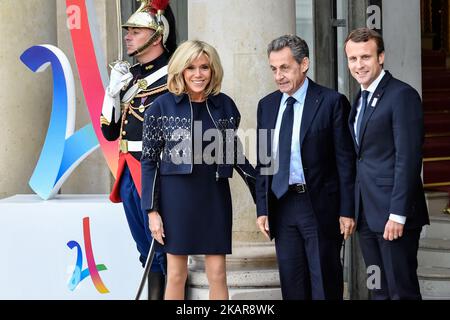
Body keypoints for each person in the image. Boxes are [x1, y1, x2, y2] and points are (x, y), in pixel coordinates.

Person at [141, 40, 256, 300]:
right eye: (191, 67)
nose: (198, 74)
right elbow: (148, 161)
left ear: (213, 70)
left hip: (214, 195)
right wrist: (152, 211)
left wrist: (265, 191)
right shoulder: (160, 108)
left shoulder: (224, 106)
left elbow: (234, 155)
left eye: (204, 67)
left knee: (217, 274)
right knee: (176, 275)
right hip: (176, 198)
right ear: (180, 70)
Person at [255, 35, 356, 300]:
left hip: (319, 206)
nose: (279, 76)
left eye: (285, 67)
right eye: (274, 69)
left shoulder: (332, 102)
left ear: (304, 64)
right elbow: (265, 161)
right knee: (292, 285)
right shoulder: (266, 106)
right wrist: (262, 208)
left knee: (325, 283)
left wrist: (347, 210)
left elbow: (345, 162)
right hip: (283, 205)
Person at [344, 27, 429, 300]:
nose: (359, 65)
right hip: (367, 215)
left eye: (365, 57)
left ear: (381, 57)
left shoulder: (402, 95)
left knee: (400, 291)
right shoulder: (359, 98)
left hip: (394, 215)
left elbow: (408, 158)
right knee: (376, 287)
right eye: (353, 59)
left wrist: (398, 213)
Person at [100, 0, 177, 300]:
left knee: (162, 249)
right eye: (128, 31)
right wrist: (112, 92)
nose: (128, 36)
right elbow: (108, 131)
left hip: (158, 170)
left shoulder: (174, 73)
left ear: (157, 36)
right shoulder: (129, 75)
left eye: (136, 31)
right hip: (129, 170)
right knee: (145, 250)